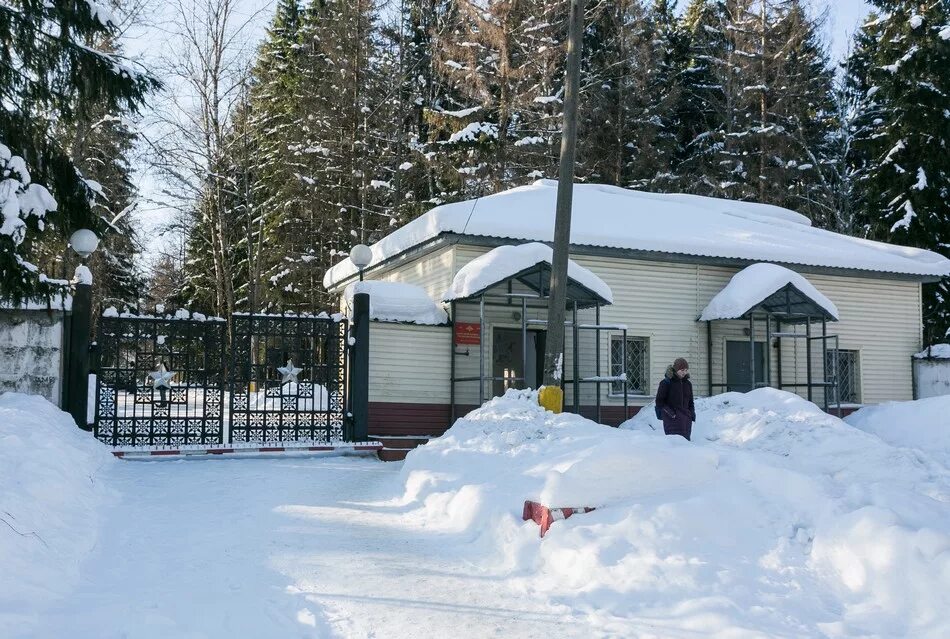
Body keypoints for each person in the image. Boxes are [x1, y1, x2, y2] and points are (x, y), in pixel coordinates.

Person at [655, 357, 695, 441]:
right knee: (674, 446)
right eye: (682, 370)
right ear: (676, 370)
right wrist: (671, 414)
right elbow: (659, 402)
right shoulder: (666, 383)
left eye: (686, 370)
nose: (684, 372)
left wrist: (691, 414)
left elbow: (691, 402)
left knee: (686, 445)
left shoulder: (688, 384)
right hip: (672, 420)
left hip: (686, 420)